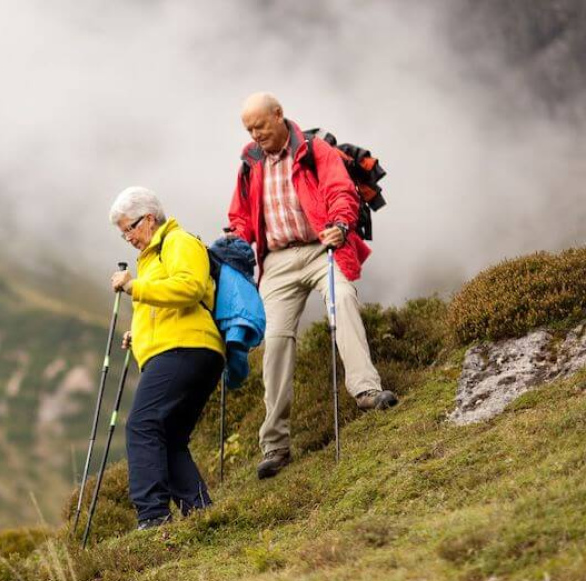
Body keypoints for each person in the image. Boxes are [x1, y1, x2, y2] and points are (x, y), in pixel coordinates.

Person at [227, 92, 398, 479]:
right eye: (248, 129)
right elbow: (240, 217)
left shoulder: (314, 150)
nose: (255, 135)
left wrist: (339, 224)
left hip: (323, 245)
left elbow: (340, 191)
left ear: (279, 116)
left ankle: (366, 391)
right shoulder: (250, 163)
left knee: (343, 301)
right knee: (274, 339)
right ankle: (275, 445)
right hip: (278, 261)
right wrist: (233, 242)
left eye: (260, 126)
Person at [109, 187, 225, 530]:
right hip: (182, 350)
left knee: (142, 425)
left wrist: (133, 287)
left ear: (148, 218)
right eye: (122, 233)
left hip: (185, 349)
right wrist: (138, 333)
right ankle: (201, 513)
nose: (127, 237)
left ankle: (153, 516)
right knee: (170, 436)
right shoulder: (151, 257)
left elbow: (189, 288)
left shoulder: (179, 242)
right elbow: (164, 307)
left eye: (129, 228)